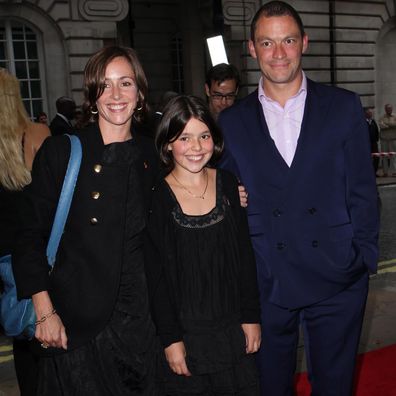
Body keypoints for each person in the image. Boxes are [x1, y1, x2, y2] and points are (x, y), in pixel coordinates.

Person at [218, 2, 379, 395]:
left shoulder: (343, 106)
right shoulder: (231, 121)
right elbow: (221, 192)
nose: (278, 53)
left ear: (304, 43)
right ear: (252, 49)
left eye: (288, 40)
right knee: (270, 386)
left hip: (337, 274)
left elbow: (362, 190)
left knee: (334, 387)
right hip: (266, 276)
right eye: (267, 42)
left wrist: (362, 260)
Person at [13, 46, 159, 395]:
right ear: (92, 96)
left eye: (125, 83)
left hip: (141, 325)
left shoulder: (151, 155)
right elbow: (28, 235)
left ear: (139, 93)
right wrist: (44, 312)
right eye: (104, 85)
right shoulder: (62, 152)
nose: (116, 95)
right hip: (75, 325)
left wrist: (229, 192)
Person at [145, 95, 261, 395]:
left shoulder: (228, 183)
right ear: (168, 143)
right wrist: (170, 339)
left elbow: (244, 257)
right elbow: (156, 277)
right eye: (184, 138)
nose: (196, 148)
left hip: (231, 328)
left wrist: (251, 317)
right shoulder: (156, 196)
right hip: (186, 334)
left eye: (204, 136)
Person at [0, 68, 50, 395]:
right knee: (40, 331)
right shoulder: (35, 134)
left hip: (2, 255)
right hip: (31, 251)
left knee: (19, 330)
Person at [378, 103, 396, 176]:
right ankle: (385, 172)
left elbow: (395, 125)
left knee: (393, 156)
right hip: (384, 140)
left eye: (390, 109)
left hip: (393, 139)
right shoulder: (382, 117)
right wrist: (391, 124)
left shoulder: (395, 116)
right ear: (385, 110)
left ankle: (394, 171)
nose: (389, 110)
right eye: (388, 109)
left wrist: (387, 124)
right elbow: (381, 126)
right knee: (384, 156)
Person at [364, 107, 380, 174]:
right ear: (365, 114)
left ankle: (374, 172)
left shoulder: (373, 121)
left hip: (374, 142)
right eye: (369, 113)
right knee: (367, 158)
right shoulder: (363, 122)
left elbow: (377, 131)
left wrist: (376, 139)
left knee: (376, 157)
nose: (371, 114)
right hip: (366, 143)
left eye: (371, 113)